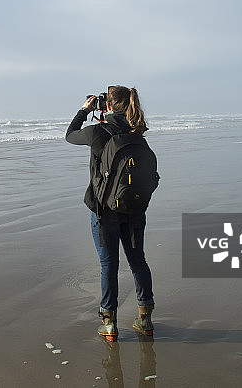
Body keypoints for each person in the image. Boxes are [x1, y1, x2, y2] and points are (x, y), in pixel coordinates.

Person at [66, 85, 156, 341]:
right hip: (135, 209)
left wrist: (84, 110)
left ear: (108, 105)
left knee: (109, 265)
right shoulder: (138, 133)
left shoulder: (98, 132)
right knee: (138, 261)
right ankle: (145, 318)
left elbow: (70, 135)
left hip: (104, 211)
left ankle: (109, 323)